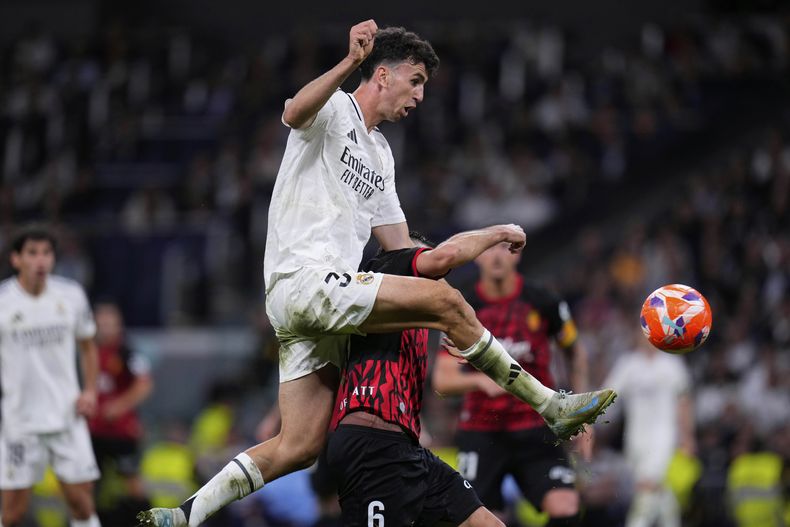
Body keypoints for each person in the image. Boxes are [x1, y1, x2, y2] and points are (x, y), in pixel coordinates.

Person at [138, 20, 615, 527]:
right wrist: (347, 62)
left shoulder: (381, 154)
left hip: (315, 307)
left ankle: (185, 515)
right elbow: (291, 112)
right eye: (416, 82)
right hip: (307, 278)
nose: (420, 96)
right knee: (449, 303)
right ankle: (549, 405)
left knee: (299, 445)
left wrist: (481, 243)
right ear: (382, 75)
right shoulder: (335, 109)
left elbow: (408, 249)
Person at [327, 230, 507, 527]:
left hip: (405, 447)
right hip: (373, 445)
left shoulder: (419, 314)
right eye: (423, 261)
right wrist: (503, 232)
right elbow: (445, 256)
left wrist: (460, 325)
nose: (437, 275)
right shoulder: (384, 276)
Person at [433, 241, 592, 527]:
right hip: (482, 433)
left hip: (535, 430)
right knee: (479, 520)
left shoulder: (544, 302)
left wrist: (581, 411)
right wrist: (480, 380)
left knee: (567, 508)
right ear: (477, 257)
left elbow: (576, 353)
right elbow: (443, 379)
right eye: (489, 248)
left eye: (505, 248)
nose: (496, 256)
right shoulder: (464, 308)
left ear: (516, 256)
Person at [0, 225, 102, 527]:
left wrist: (91, 391)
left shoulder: (71, 296)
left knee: (81, 504)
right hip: (20, 422)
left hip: (66, 417)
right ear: (16, 259)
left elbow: (88, 347)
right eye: (32, 253)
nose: (41, 260)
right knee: (11, 513)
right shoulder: (3, 302)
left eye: (46, 253)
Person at [603, 329, 696, 527]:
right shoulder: (627, 365)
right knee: (658, 489)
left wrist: (687, 436)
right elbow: (609, 397)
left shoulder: (672, 364)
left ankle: (636, 523)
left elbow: (684, 401)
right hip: (636, 438)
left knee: (648, 484)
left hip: (664, 436)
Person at [88, 301, 154, 525]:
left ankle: (148, 521)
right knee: (88, 484)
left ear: (119, 324)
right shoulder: (89, 351)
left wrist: (119, 406)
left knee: (132, 483)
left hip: (121, 432)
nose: (105, 326)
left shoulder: (127, 351)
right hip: (94, 431)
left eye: (110, 321)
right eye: (101, 321)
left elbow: (144, 384)